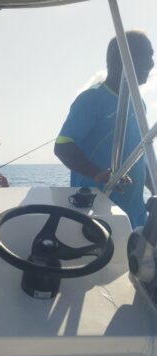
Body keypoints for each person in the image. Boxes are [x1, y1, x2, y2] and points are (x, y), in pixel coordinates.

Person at [54, 30, 154, 228]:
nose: (151, 63)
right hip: (97, 217)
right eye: (146, 55)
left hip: (135, 216)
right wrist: (97, 173)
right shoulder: (92, 99)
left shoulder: (139, 103)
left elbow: (141, 155)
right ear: (122, 58)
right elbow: (63, 146)